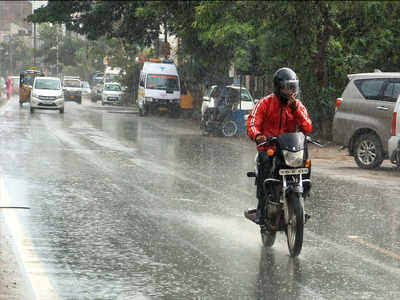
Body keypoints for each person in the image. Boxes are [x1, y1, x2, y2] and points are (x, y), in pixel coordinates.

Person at [246, 67, 312, 224]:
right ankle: (261, 210)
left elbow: (307, 127)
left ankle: (300, 199)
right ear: (278, 87)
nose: (289, 91)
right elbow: (252, 123)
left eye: (292, 87)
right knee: (264, 170)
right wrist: (258, 136)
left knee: (307, 163)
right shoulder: (265, 103)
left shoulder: (297, 105)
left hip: (289, 149)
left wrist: (295, 110)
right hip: (269, 148)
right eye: (285, 87)